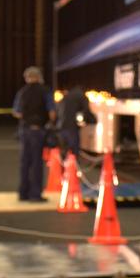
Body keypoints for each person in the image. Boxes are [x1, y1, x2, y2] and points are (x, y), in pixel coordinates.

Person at [11, 66, 55, 202]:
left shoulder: (22, 92)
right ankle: (35, 194)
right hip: (38, 130)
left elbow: (17, 112)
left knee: (25, 162)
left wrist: (27, 117)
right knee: (37, 163)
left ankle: (23, 193)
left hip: (25, 130)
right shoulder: (45, 91)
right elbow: (52, 112)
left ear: (27, 78)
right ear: (39, 77)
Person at [56, 83, 90, 161]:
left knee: (63, 151)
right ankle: (72, 170)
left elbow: (57, 111)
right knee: (73, 153)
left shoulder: (66, 96)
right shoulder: (82, 96)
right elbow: (86, 111)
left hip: (61, 127)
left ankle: (63, 170)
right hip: (72, 128)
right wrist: (88, 121)